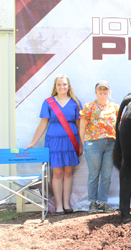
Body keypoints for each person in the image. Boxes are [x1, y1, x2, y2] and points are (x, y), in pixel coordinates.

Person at [25, 74, 82, 215]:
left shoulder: (75, 102)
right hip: (54, 142)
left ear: (68, 86)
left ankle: (66, 204)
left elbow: (80, 124)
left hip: (70, 142)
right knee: (57, 173)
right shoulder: (48, 102)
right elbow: (43, 124)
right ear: (55, 87)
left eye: (64, 84)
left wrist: (81, 144)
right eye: (59, 84)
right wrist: (33, 143)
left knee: (68, 173)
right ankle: (58, 206)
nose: (62, 87)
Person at [79, 80, 119, 213]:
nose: (103, 91)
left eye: (105, 89)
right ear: (96, 92)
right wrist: (84, 143)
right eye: (100, 89)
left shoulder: (115, 107)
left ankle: (102, 203)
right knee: (94, 174)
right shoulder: (89, 107)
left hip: (111, 144)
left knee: (106, 175)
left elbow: (120, 126)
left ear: (109, 91)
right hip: (93, 144)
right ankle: (92, 203)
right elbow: (83, 126)